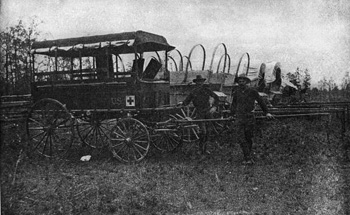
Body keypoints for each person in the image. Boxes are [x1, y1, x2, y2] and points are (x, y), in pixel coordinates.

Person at [231, 73, 274, 165]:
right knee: (240, 138)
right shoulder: (236, 92)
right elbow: (234, 104)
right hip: (239, 117)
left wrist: (267, 112)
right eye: (239, 81)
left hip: (249, 117)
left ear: (246, 82)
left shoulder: (252, 91)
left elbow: (261, 101)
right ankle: (247, 158)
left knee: (248, 137)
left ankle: (247, 156)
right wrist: (231, 114)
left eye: (243, 81)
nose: (241, 83)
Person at [178, 75, 220, 155]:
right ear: (196, 83)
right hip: (199, 112)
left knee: (208, 131)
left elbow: (217, 98)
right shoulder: (193, 92)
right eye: (198, 82)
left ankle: (206, 149)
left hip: (208, 112)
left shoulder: (207, 90)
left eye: (201, 81)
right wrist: (181, 103)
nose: (199, 83)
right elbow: (186, 102)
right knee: (203, 132)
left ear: (203, 82)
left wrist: (214, 107)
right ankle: (200, 149)